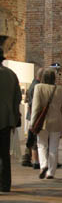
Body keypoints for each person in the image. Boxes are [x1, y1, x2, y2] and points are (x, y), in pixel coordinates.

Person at [30, 68, 62, 179]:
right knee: (54, 148)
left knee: (42, 145)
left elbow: (36, 107)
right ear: (54, 78)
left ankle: (44, 165)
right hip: (57, 121)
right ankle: (51, 172)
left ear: (43, 77)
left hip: (43, 122)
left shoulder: (39, 87)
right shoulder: (60, 89)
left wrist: (32, 123)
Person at [0, 47, 21, 192]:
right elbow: (17, 98)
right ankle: (5, 184)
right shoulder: (11, 75)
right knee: (4, 153)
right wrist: (14, 117)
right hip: (6, 120)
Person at [22, 67, 42, 168]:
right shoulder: (36, 86)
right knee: (33, 138)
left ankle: (26, 158)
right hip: (33, 115)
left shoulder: (34, 84)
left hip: (32, 115)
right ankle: (30, 159)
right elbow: (32, 103)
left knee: (31, 137)